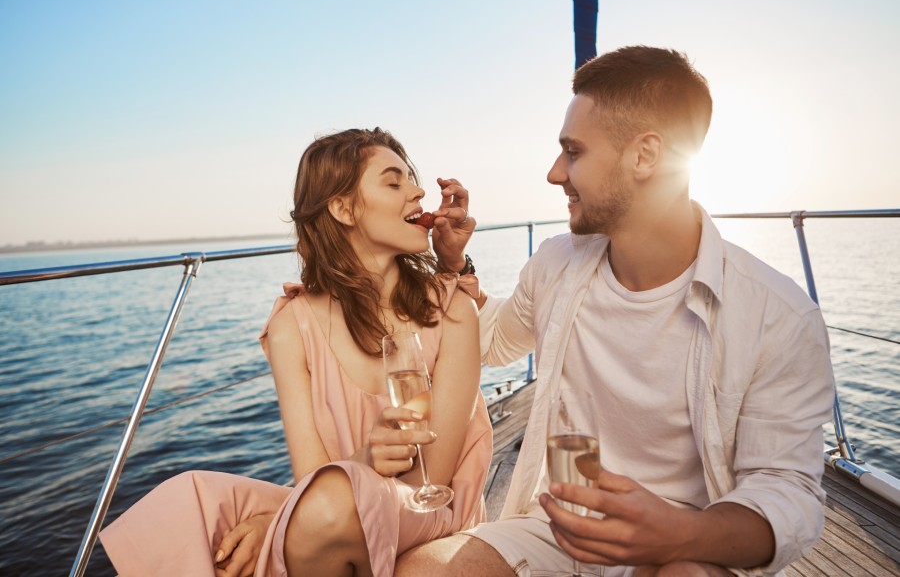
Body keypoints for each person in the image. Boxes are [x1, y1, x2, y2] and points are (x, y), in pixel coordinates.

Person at [395, 46, 835, 576]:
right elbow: (489, 344)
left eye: (573, 152)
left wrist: (679, 535)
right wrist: (452, 262)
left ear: (645, 156)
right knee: (424, 569)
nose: (555, 173)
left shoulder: (778, 316)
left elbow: (788, 491)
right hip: (558, 529)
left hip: (686, 544)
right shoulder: (556, 264)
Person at [99, 127, 492, 577]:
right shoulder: (293, 325)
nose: (419, 191)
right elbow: (312, 474)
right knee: (187, 502)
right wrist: (361, 463)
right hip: (336, 501)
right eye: (394, 181)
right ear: (343, 208)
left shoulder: (454, 310)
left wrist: (283, 521)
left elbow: (433, 482)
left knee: (314, 512)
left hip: (431, 507)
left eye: (411, 178)